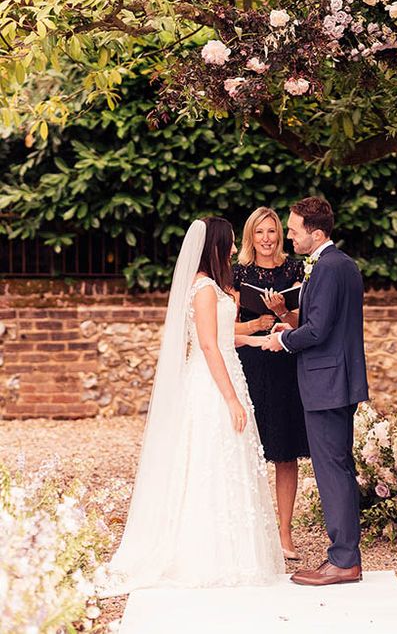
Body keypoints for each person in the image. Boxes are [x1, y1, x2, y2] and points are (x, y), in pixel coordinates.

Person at [104, 217, 284, 595]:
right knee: (210, 458)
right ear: (216, 246)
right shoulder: (203, 288)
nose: (235, 250)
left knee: (230, 459)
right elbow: (206, 346)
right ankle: (205, 553)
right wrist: (232, 398)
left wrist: (257, 340)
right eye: (231, 244)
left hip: (227, 372)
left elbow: (223, 339)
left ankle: (235, 552)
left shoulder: (216, 287)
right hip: (212, 385)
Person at [262, 197, 369, 587]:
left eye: (293, 231)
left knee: (332, 471)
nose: (288, 236)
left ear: (317, 233)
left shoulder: (327, 268)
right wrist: (287, 327)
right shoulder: (340, 265)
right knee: (337, 468)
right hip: (336, 381)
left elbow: (318, 330)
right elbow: (325, 323)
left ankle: (343, 560)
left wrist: (284, 341)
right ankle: (343, 556)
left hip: (327, 383)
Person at [232, 207, 310, 561]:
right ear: (250, 237)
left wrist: (280, 313)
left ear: (280, 236)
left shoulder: (294, 269)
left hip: (284, 364)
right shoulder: (237, 274)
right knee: (247, 449)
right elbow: (224, 327)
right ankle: (246, 533)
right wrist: (255, 323)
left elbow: (301, 322)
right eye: (260, 232)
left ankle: (284, 533)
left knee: (284, 451)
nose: (267, 239)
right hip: (250, 363)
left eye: (273, 232)